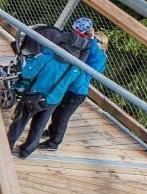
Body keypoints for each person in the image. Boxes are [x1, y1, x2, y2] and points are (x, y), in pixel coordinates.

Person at [10, 29, 86, 159]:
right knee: (39, 126)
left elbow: (27, 73)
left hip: (33, 95)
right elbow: (78, 84)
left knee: (20, 121)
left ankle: (7, 144)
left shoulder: (47, 56)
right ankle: (26, 150)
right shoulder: (77, 66)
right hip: (53, 100)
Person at [39, 18, 105, 152]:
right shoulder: (86, 46)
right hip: (68, 86)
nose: (92, 40)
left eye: (97, 40)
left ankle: (54, 143)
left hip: (77, 91)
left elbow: (95, 63)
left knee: (63, 116)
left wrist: (92, 40)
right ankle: (52, 131)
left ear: (103, 44)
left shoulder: (99, 56)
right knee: (57, 111)